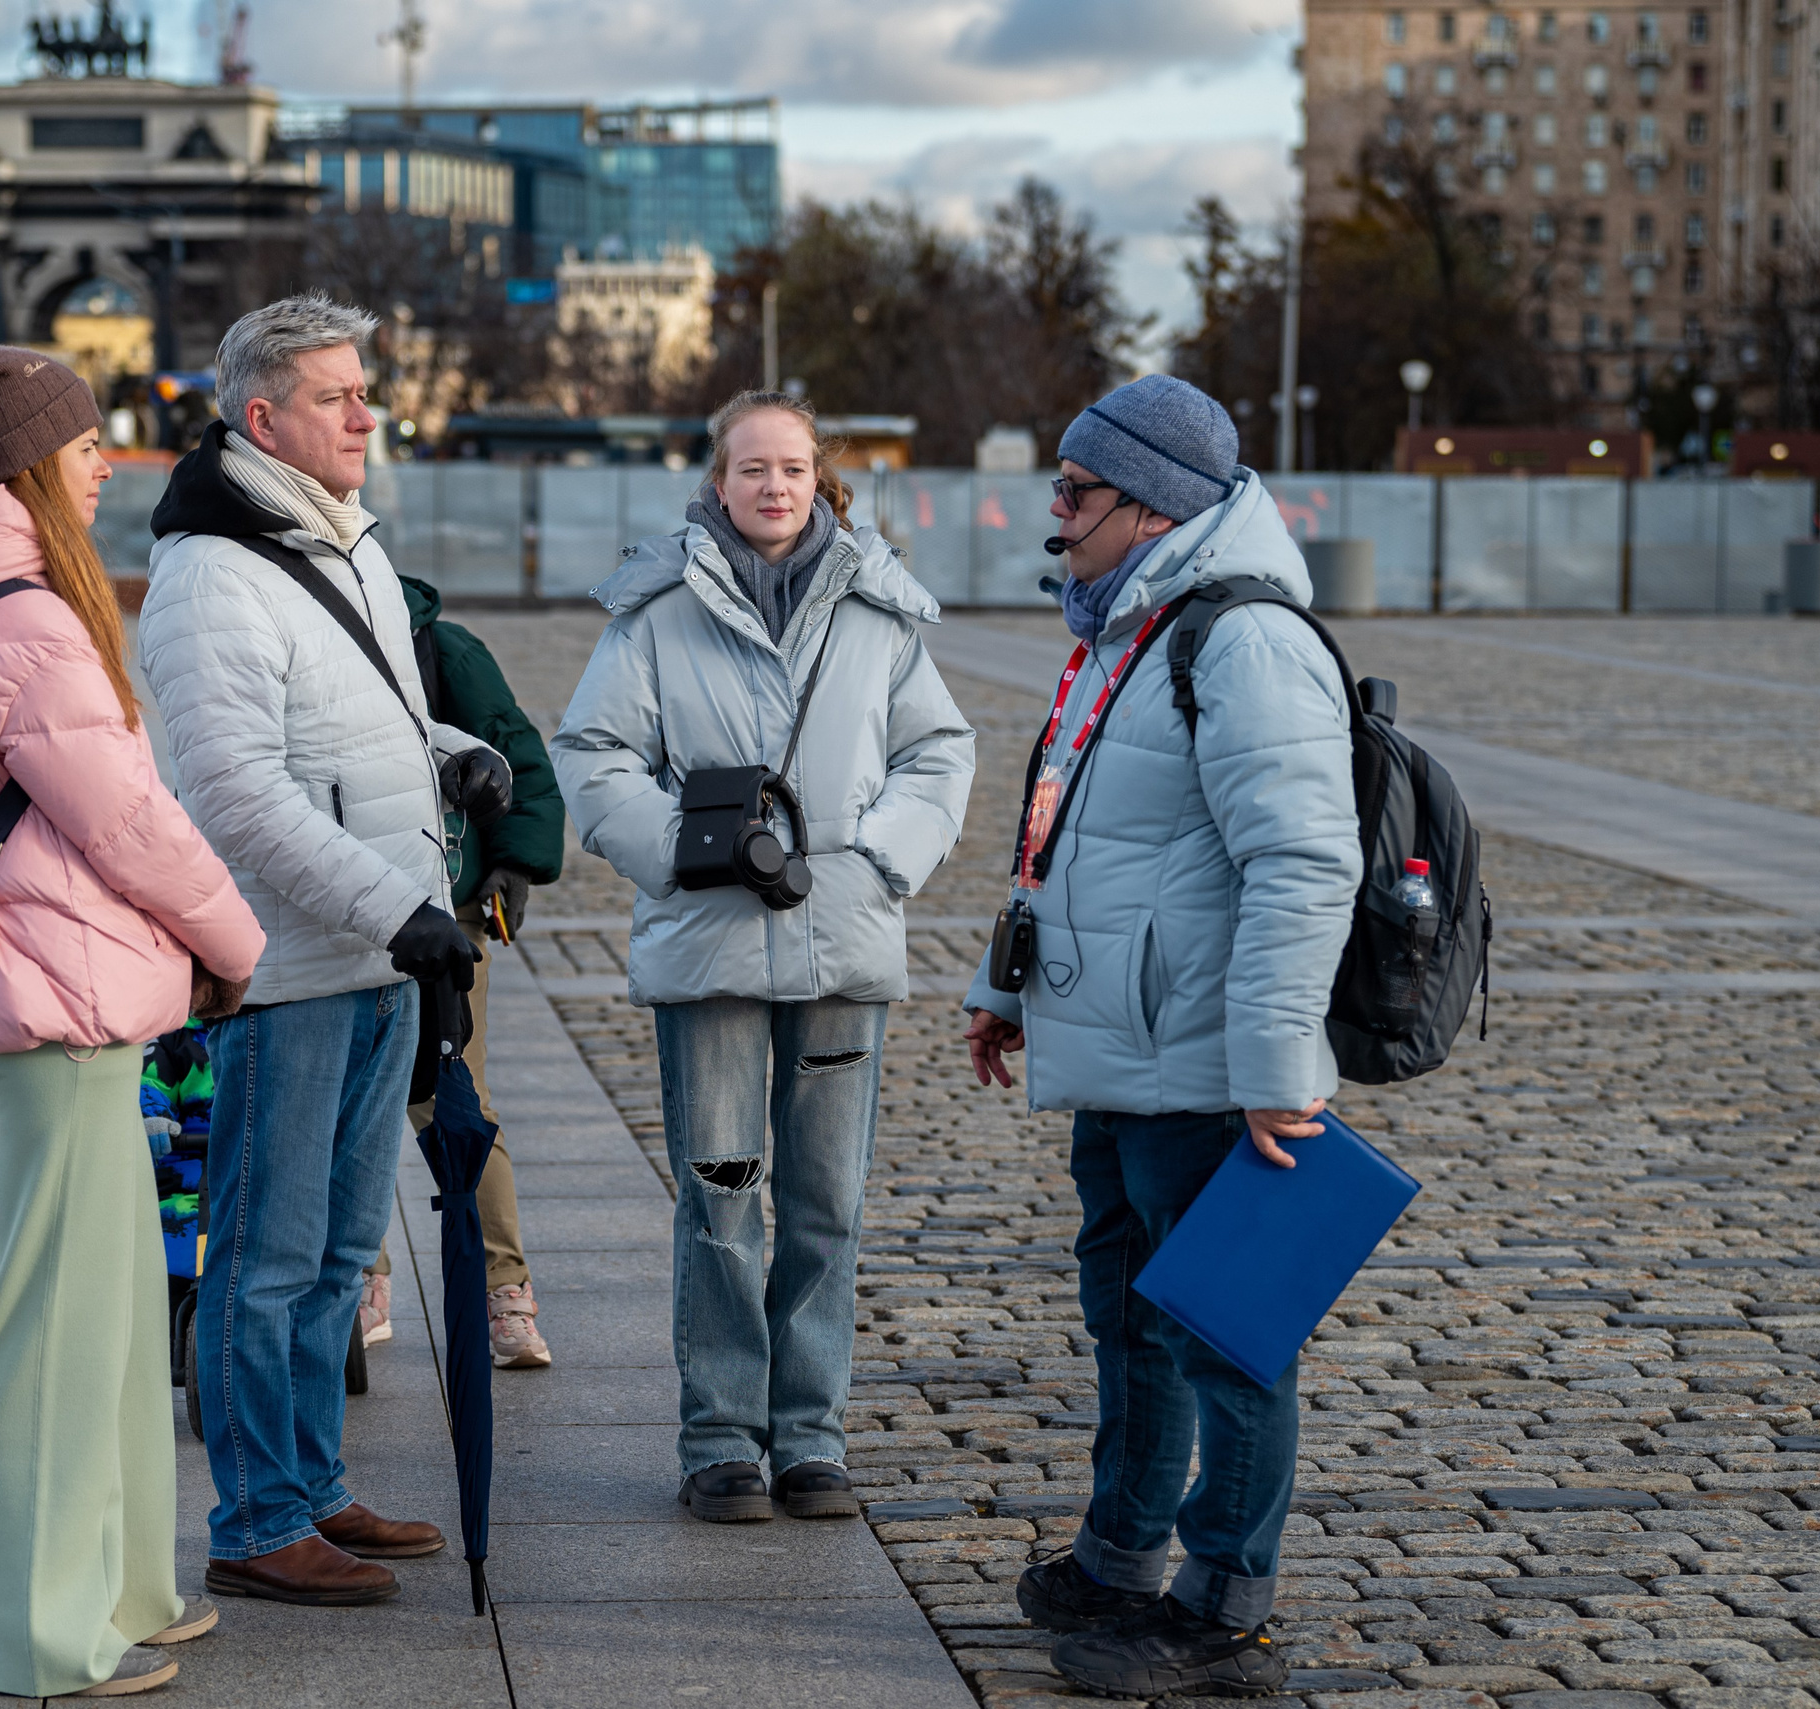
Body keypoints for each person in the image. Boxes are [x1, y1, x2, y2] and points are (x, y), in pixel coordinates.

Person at [960, 375, 1360, 1699]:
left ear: (1151, 504)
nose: (1053, 509)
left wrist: (1275, 1072)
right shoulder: (1124, 626)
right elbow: (1063, 833)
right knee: (1128, 1320)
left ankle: (1222, 1596)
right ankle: (1122, 1551)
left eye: (1075, 491)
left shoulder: (1241, 640)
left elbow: (1303, 860)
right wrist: (1005, 985)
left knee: (1227, 1337)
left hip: (1203, 1065)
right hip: (1119, 1051)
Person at [0, 347, 266, 1699]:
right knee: (55, 1334)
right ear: (32, 464)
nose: (109, 461)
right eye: (87, 443)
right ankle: (40, 1640)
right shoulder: (26, 624)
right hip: (53, 994)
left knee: (103, 1317)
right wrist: (234, 940)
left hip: (63, 993)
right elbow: (131, 826)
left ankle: (123, 1586)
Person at [139, 294, 513, 1606]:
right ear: (263, 418)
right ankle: (254, 1521)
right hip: (289, 966)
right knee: (267, 1254)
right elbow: (236, 794)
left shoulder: (342, 542)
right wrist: (393, 906)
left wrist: (459, 762)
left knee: (344, 1251)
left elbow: (373, 727)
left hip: (381, 956)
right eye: (339, 396)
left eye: (367, 390)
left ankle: (309, 1483)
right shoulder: (209, 578)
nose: (369, 413)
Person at [551, 389, 975, 1524]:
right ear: (718, 482)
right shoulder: (657, 612)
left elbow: (939, 750)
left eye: (791, 467)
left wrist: (879, 855)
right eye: (751, 469)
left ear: (819, 476)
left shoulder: (876, 610)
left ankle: (812, 1434)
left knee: (828, 1201)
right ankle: (722, 1434)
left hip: (842, 942)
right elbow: (590, 753)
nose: (773, 487)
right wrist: (683, 854)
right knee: (720, 1195)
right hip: (713, 947)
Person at [360, 572, 566, 1370]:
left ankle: (503, 1290)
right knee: (355, 1098)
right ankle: (362, 1281)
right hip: (345, 900)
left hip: (449, 909)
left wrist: (516, 862)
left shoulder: (445, 647)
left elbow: (519, 752)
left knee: (453, 1099)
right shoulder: (299, 634)